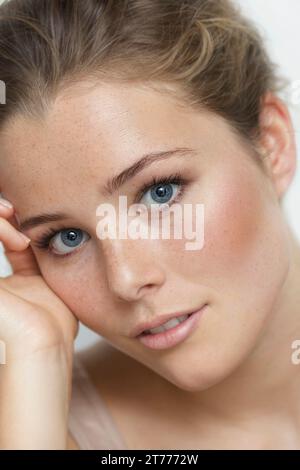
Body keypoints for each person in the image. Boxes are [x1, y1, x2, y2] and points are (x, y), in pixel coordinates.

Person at [0, 0, 300, 450]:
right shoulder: (34, 425)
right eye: (67, 238)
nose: (126, 280)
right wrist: (36, 356)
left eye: (160, 192)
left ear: (270, 144)